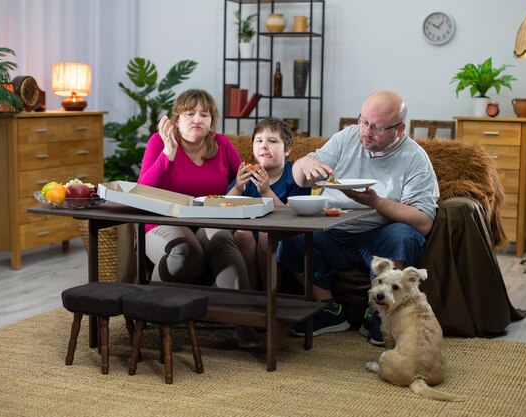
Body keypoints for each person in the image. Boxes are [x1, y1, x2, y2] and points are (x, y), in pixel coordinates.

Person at [278, 90, 439, 345]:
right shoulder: (347, 138)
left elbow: (424, 221)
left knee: (404, 235)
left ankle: (379, 313)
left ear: (399, 129)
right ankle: (328, 308)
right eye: (363, 121)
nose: (365, 131)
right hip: (332, 229)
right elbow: (301, 174)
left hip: (378, 236)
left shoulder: (415, 158)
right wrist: (303, 164)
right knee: (289, 237)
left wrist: (375, 202)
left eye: (376, 127)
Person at [137, 88, 261, 348]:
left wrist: (246, 183)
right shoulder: (159, 143)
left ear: (211, 121)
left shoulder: (222, 145)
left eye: (204, 115)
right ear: (176, 120)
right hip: (163, 221)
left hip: (207, 220)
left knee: (223, 244)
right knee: (185, 252)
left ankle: (246, 330)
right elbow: (143, 191)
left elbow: (237, 191)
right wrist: (168, 154)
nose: (197, 119)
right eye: (190, 113)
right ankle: (151, 316)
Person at [226, 117, 311, 290]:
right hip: (249, 233)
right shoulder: (247, 175)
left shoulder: (295, 175)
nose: (264, 145)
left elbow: (293, 214)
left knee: (266, 235)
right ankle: (251, 291)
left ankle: (270, 295)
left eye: (272, 141)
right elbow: (223, 204)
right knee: (243, 233)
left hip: (281, 233)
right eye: (259, 141)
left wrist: (266, 191)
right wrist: (238, 187)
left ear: (287, 149)